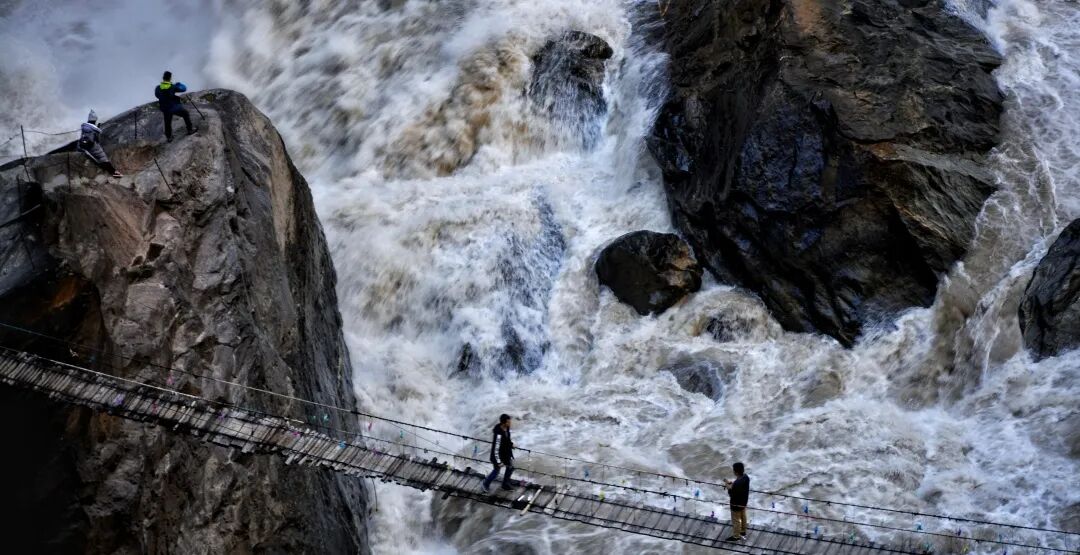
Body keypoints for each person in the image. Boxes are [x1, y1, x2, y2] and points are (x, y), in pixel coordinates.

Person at [154, 71, 197, 142]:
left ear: (163, 78)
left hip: (164, 108)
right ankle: (190, 130)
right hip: (173, 107)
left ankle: (169, 137)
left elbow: (157, 95)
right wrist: (179, 84)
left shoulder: (158, 88)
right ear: (170, 78)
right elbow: (184, 88)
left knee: (167, 122)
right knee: (185, 114)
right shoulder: (172, 87)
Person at [77, 110, 122, 178]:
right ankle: (114, 172)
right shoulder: (94, 129)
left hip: (82, 145)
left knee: (100, 156)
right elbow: (96, 139)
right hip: (91, 146)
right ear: (94, 120)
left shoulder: (84, 127)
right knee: (103, 157)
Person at [482, 414, 518, 492]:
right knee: (496, 472)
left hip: (506, 454)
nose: (510, 424)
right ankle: (485, 484)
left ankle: (505, 484)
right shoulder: (498, 434)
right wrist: (499, 462)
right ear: (503, 423)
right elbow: (496, 449)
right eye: (508, 422)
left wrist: (511, 444)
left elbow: (507, 439)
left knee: (510, 468)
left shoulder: (506, 428)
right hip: (497, 456)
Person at [724, 462, 751, 541]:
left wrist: (727, 484)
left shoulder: (737, 483)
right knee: (743, 516)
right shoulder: (746, 477)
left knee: (736, 520)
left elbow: (732, 493)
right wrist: (731, 483)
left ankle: (736, 536)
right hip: (743, 502)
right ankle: (743, 531)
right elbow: (739, 486)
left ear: (735, 472)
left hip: (735, 505)